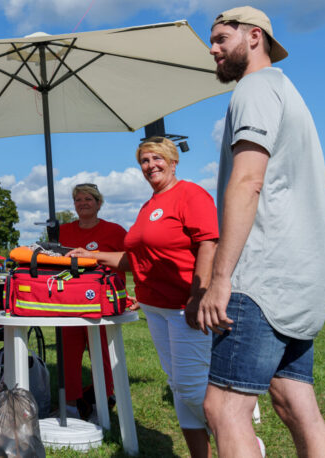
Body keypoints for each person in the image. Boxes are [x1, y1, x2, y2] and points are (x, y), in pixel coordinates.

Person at [199, 6, 325, 457]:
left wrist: (220, 281)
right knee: (296, 403)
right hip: (302, 280)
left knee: (224, 409)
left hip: (261, 281)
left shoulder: (255, 88)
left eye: (222, 38)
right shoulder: (287, 91)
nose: (213, 48)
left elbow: (247, 181)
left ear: (253, 37)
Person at [70, 137, 218, 458]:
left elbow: (209, 244)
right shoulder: (149, 205)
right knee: (179, 388)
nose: (150, 166)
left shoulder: (190, 194)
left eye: (156, 159)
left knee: (193, 391)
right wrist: (90, 257)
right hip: (156, 307)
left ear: (173, 161)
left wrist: (198, 296)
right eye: (144, 161)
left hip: (184, 308)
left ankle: (242, 440)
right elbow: (133, 260)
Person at [58, 183, 127, 420]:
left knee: (102, 352)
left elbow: (130, 262)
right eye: (78, 199)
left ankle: (102, 401)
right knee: (68, 351)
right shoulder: (64, 230)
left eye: (88, 199)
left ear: (99, 203)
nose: (83, 203)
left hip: (102, 303)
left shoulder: (115, 231)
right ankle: (70, 404)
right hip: (70, 302)